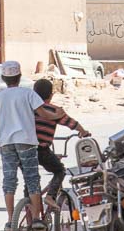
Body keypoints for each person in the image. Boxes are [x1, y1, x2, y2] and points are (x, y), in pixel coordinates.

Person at [0, 60, 54, 231]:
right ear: (19, 77)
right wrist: (56, 115)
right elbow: (43, 113)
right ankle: (35, 219)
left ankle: (10, 220)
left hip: (6, 142)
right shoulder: (28, 93)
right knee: (32, 178)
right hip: (26, 141)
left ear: (4, 78)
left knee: (9, 180)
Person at [32, 78, 89, 209]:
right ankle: (50, 196)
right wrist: (83, 132)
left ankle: (29, 203)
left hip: (26, 150)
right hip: (42, 151)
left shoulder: (30, 108)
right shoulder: (55, 111)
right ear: (51, 95)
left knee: (30, 179)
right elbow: (72, 124)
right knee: (60, 171)